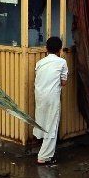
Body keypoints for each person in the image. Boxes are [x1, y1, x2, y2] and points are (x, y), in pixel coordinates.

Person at [33, 36, 68, 165]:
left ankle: (41, 145)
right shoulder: (62, 62)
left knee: (41, 121)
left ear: (46, 48)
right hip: (52, 97)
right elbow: (64, 82)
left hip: (39, 96)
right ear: (60, 49)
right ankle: (44, 157)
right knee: (51, 125)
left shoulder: (40, 63)